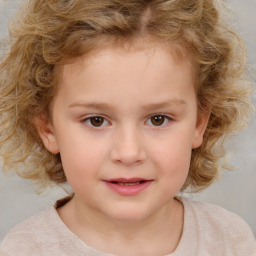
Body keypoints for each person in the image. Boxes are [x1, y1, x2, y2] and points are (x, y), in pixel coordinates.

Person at [0, 0, 255, 255]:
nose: (129, 153)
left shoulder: (230, 239)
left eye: (158, 119)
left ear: (199, 123)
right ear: (48, 129)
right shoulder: (25, 250)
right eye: (96, 120)